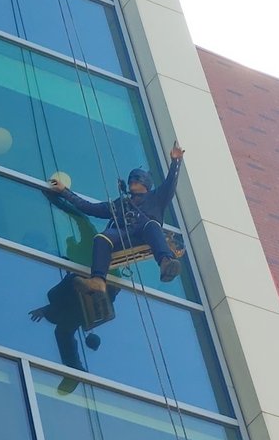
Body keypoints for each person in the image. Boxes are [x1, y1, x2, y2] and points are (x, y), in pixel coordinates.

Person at [47, 143, 186, 293]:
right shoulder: (120, 203)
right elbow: (88, 207)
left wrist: (176, 161)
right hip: (124, 236)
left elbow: (170, 184)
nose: (132, 181)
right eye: (131, 179)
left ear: (145, 183)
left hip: (146, 234)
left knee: (152, 224)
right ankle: (98, 281)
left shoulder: (156, 198)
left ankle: (166, 262)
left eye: (136, 179)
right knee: (102, 237)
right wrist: (64, 192)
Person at [30, 272, 120, 395]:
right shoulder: (65, 308)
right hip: (87, 293)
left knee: (62, 327)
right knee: (62, 329)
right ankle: (74, 367)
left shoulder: (59, 299)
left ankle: (74, 367)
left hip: (87, 288)